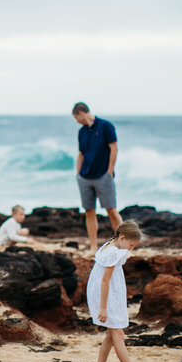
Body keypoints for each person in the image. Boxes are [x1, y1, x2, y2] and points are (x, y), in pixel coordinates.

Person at [86, 220, 150, 362]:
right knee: (118, 334)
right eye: (131, 244)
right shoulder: (113, 252)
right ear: (122, 238)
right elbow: (105, 281)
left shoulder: (109, 245)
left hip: (105, 292)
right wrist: (103, 308)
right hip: (105, 294)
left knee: (111, 332)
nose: (131, 248)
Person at [72, 102, 122, 255]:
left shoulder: (106, 126)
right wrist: (78, 174)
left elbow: (114, 147)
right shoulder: (82, 132)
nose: (76, 121)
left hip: (103, 176)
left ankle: (125, 244)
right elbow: (81, 153)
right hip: (85, 177)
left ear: (81, 113)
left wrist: (110, 171)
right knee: (89, 211)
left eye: (76, 117)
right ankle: (93, 248)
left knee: (111, 210)